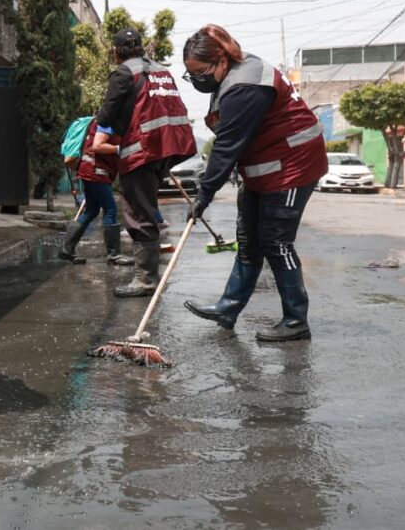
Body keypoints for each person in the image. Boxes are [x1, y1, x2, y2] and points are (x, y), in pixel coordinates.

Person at [181, 24, 327, 342]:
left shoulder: (244, 85)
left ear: (221, 60)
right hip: (262, 167)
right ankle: (228, 307)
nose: (197, 80)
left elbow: (227, 146)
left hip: (293, 165)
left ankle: (295, 321)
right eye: (190, 74)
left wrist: (204, 194)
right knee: (248, 241)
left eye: (201, 72)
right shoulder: (232, 76)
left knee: (276, 242)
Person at [94, 28, 197, 297]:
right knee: (146, 206)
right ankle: (146, 273)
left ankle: (146, 279)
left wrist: (105, 118)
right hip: (169, 147)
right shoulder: (161, 70)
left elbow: (106, 116)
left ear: (116, 51)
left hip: (143, 149)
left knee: (138, 212)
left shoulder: (124, 73)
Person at [59, 116, 133, 266]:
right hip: (95, 171)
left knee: (91, 210)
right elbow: (97, 146)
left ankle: (67, 250)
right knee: (110, 209)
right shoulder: (108, 122)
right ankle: (113, 254)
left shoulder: (111, 121)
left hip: (92, 171)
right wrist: (120, 149)